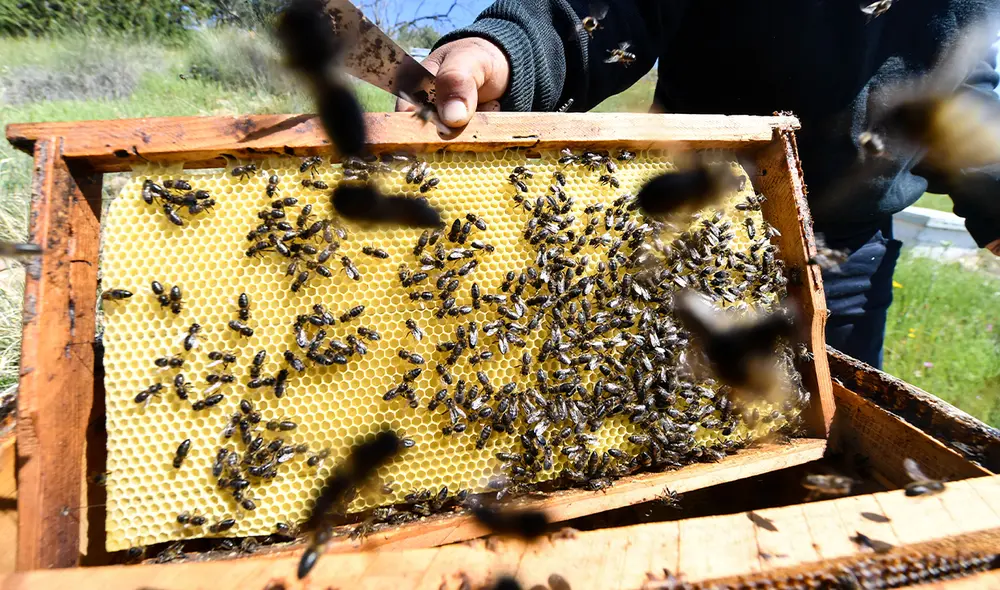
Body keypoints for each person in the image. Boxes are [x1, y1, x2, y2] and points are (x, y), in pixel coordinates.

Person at [398, 0, 1000, 369]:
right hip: (687, 223)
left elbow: (969, 81)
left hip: (845, 255)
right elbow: (611, 6)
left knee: (812, 463)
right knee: (629, 427)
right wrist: (513, 46)